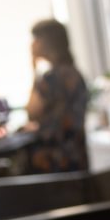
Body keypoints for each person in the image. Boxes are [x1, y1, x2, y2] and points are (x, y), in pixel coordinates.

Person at [22, 18, 90, 174]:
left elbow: (31, 112)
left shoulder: (50, 78)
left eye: (35, 39)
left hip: (53, 162)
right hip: (77, 158)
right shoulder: (75, 74)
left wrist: (33, 69)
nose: (32, 44)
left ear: (45, 42)